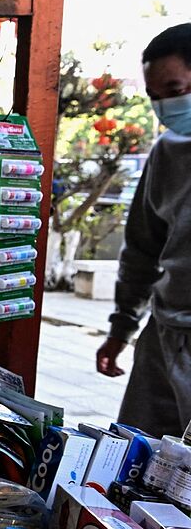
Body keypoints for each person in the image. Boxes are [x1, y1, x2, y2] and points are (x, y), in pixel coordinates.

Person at [96, 23, 191, 437]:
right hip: (163, 337)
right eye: (155, 97)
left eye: (175, 90)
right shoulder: (166, 153)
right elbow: (141, 249)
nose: (166, 106)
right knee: (140, 462)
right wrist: (121, 329)